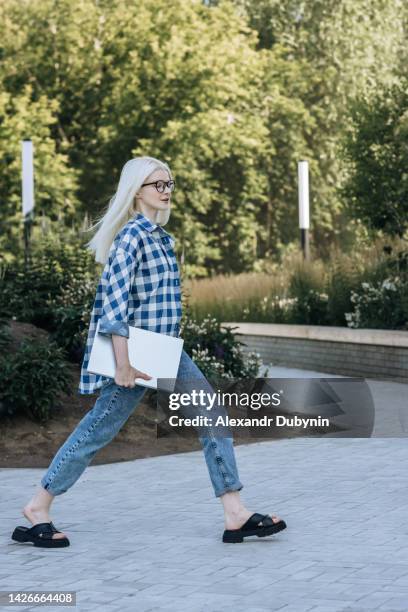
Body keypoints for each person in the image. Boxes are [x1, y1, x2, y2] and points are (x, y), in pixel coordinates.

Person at [12, 156, 286, 548]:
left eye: (170, 183)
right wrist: (123, 364)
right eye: (158, 184)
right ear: (136, 191)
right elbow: (114, 307)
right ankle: (38, 507)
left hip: (165, 350)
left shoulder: (161, 238)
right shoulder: (132, 237)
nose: (167, 190)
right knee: (98, 429)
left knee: (211, 413)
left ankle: (234, 513)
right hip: (137, 355)